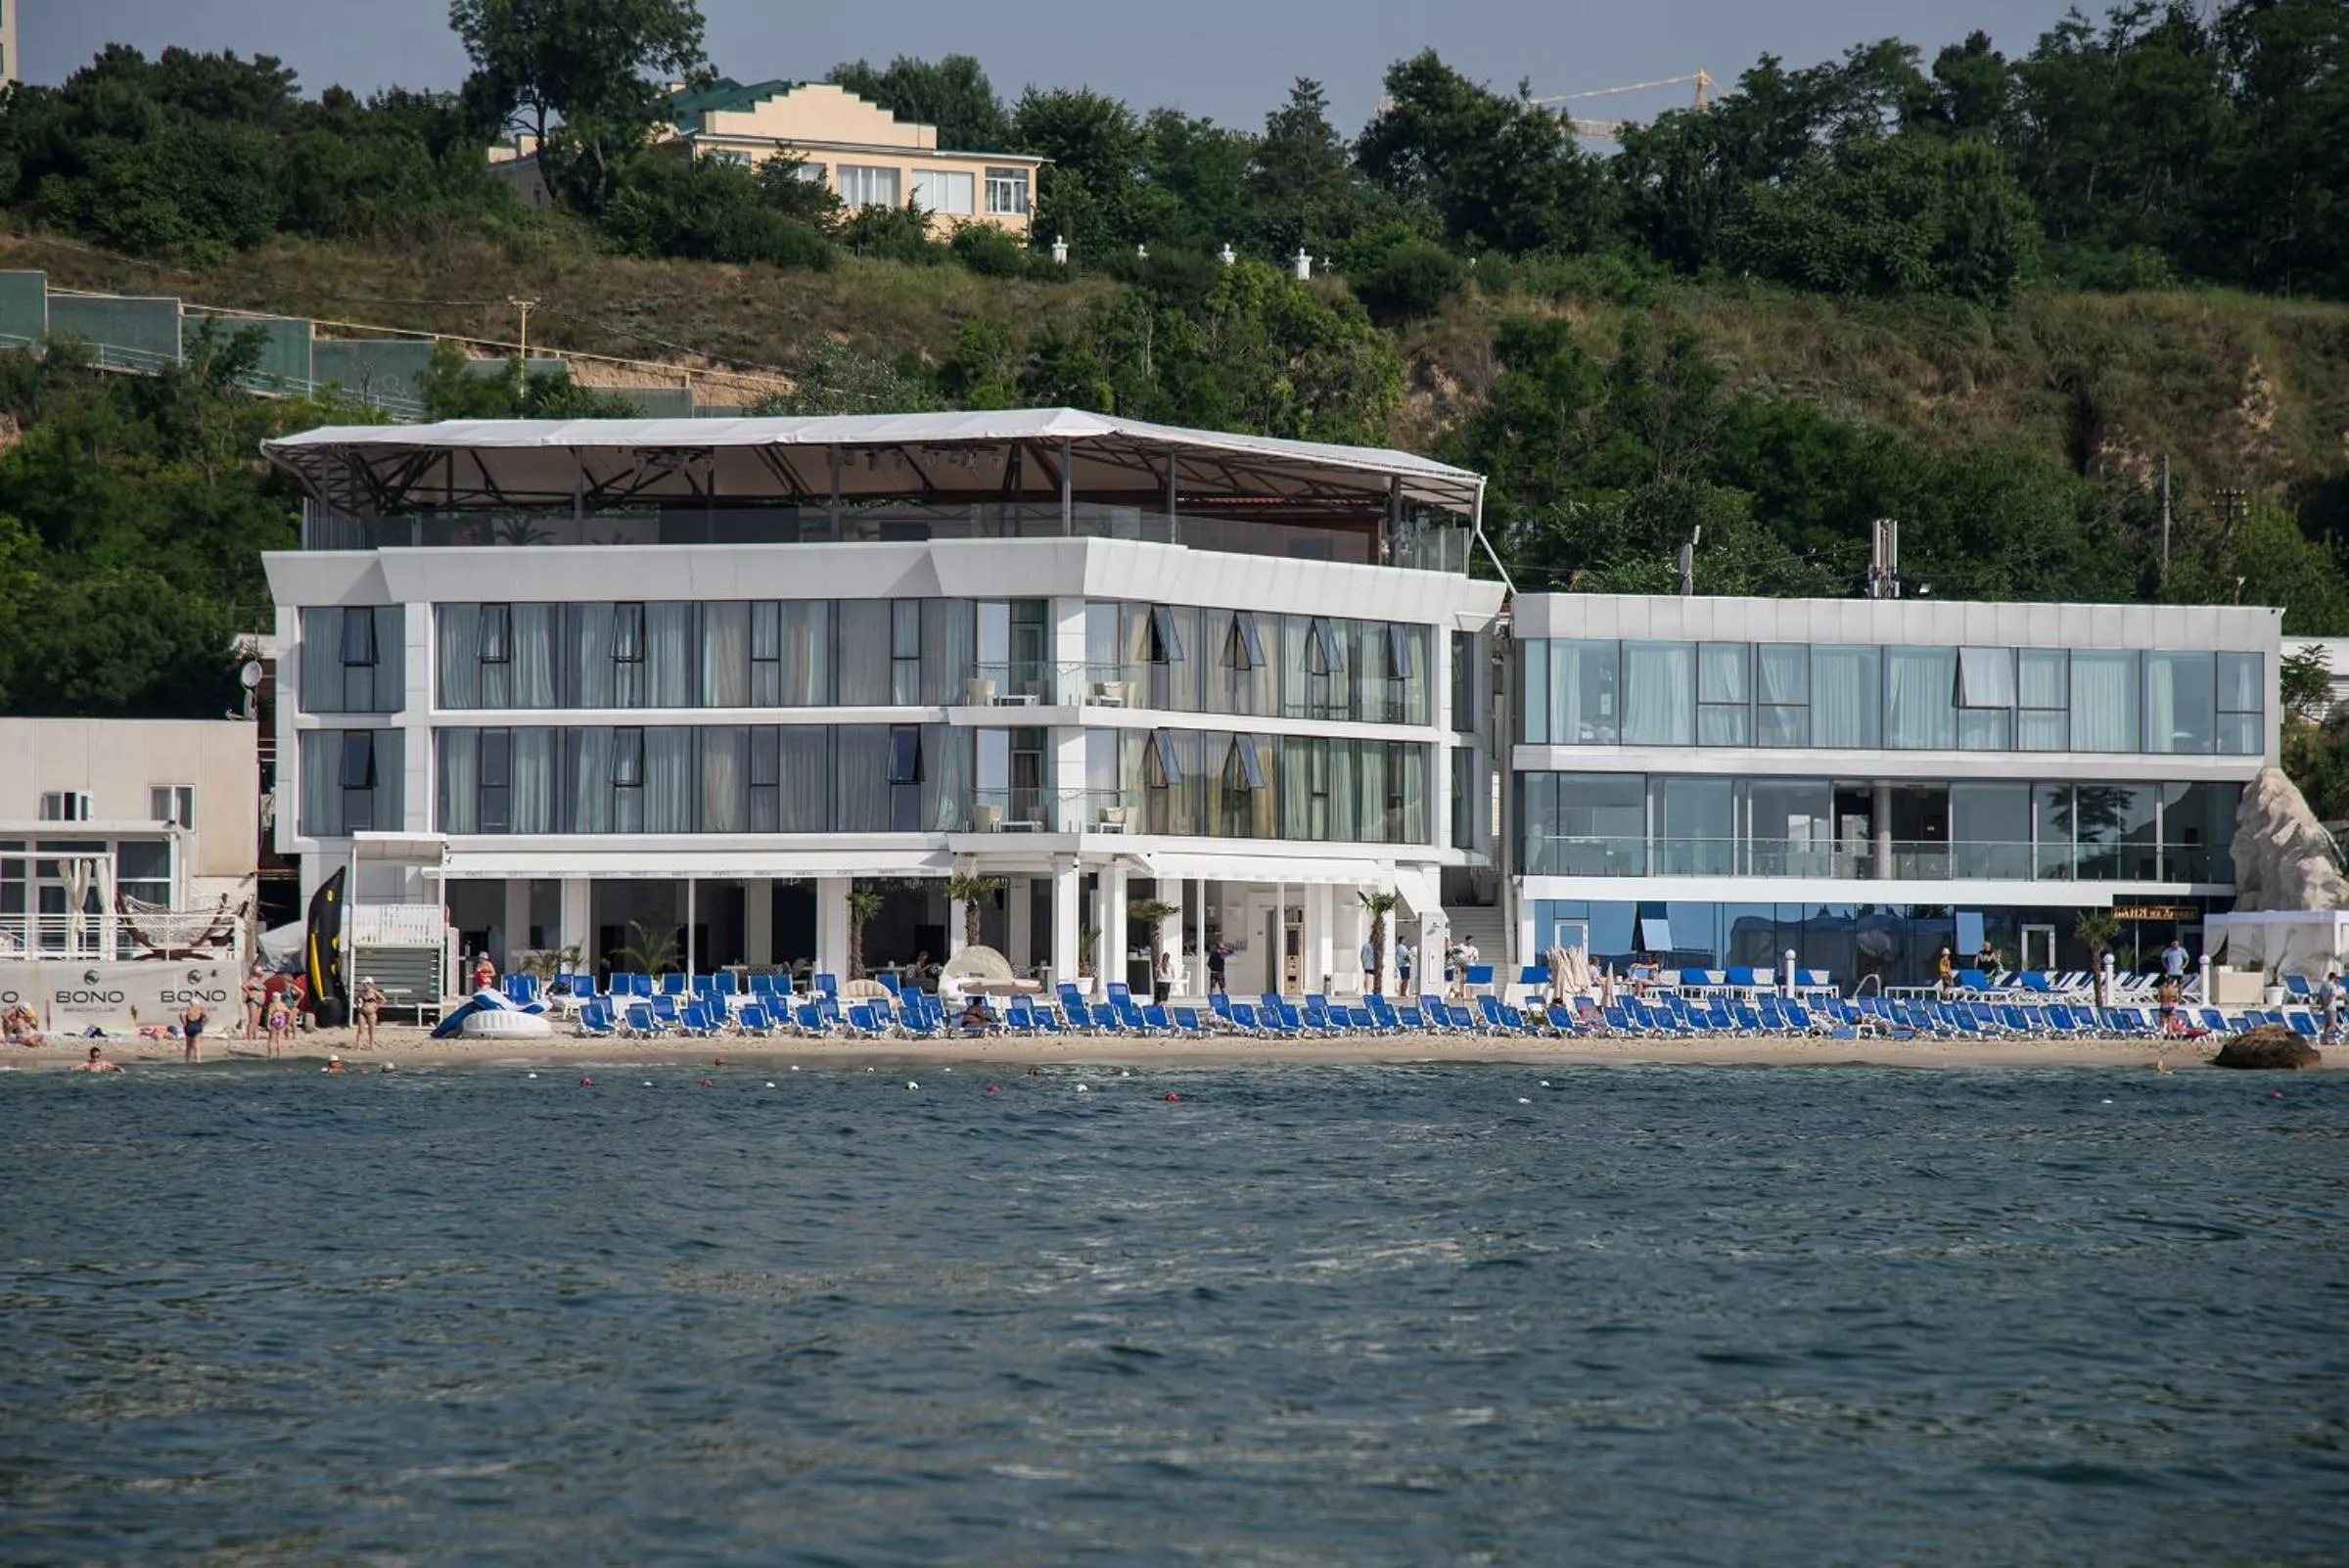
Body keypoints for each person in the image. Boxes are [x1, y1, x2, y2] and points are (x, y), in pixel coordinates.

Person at [353, 975, 386, 1049]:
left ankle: (371, 1046)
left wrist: (377, 1007)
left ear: (370, 984)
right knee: (360, 1030)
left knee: (371, 1030)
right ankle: (358, 1046)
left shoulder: (374, 992)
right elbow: (355, 999)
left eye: (366, 984)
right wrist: (358, 1007)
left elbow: (383, 1000)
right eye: (364, 984)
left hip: (371, 1013)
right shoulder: (362, 993)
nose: (364, 985)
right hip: (363, 1012)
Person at [243, 964, 269, 1040]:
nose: (263, 972)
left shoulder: (260, 980)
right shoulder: (253, 979)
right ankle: (249, 1037)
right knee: (252, 1019)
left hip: (260, 1001)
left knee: (257, 1020)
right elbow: (244, 986)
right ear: (257, 972)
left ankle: (255, 1036)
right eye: (261, 971)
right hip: (253, 1001)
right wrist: (250, 994)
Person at [263, 990, 292, 1060]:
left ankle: (270, 1055)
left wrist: (267, 1024)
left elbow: (269, 1014)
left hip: (275, 1019)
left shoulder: (272, 1004)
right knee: (279, 1038)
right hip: (281, 1019)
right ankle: (279, 1056)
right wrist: (288, 1022)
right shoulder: (283, 1004)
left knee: (271, 1038)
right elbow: (289, 1012)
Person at [179, 995, 207, 1064]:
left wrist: (184, 1023)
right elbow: (207, 1017)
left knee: (188, 1046)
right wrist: (203, 1024)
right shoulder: (200, 1009)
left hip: (189, 1026)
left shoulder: (187, 1009)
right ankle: (198, 1061)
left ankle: (187, 1061)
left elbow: (181, 1015)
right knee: (197, 1046)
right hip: (197, 1026)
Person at [2322, 970, 2345, 1047]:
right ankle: (2324, 1037)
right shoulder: (2332, 985)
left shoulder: (2324, 985)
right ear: (2333, 978)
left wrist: (2323, 1005)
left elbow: (2319, 995)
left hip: (2326, 1006)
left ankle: (2326, 1040)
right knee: (2333, 1023)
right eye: (2336, 978)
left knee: (2327, 1023)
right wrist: (2327, 1003)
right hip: (2331, 1006)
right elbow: (2331, 996)